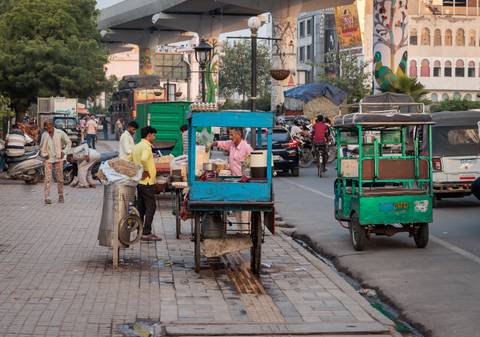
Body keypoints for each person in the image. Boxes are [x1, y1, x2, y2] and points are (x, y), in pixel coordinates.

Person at [213, 128, 253, 230]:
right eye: (229, 135)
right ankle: (240, 230)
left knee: (244, 209)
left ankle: (245, 231)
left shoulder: (247, 148)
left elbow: (252, 163)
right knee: (237, 208)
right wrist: (212, 143)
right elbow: (221, 143)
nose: (230, 137)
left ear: (239, 135)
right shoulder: (231, 144)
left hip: (244, 182)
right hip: (234, 181)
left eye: (232, 135)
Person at [129, 126, 161, 242]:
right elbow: (143, 159)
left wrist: (137, 172)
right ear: (149, 135)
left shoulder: (136, 146)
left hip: (139, 181)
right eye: (154, 135)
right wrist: (146, 170)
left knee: (141, 207)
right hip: (147, 182)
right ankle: (146, 232)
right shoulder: (147, 147)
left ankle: (140, 230)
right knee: (151, 207)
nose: (154, 137)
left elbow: (130, 160)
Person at [40, 120, 72, 204]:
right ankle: (47, 197)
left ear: (52, 125)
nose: (47, 128)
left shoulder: (60, 133)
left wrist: (64, 152)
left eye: (48, 126)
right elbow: (41, 146)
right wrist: (44, 154)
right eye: (45, 126)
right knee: (47, 178)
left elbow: (69, 142)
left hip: (58, 158)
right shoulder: (44, 134)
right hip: (48, 159)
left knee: (60, 178)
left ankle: (61, 195)